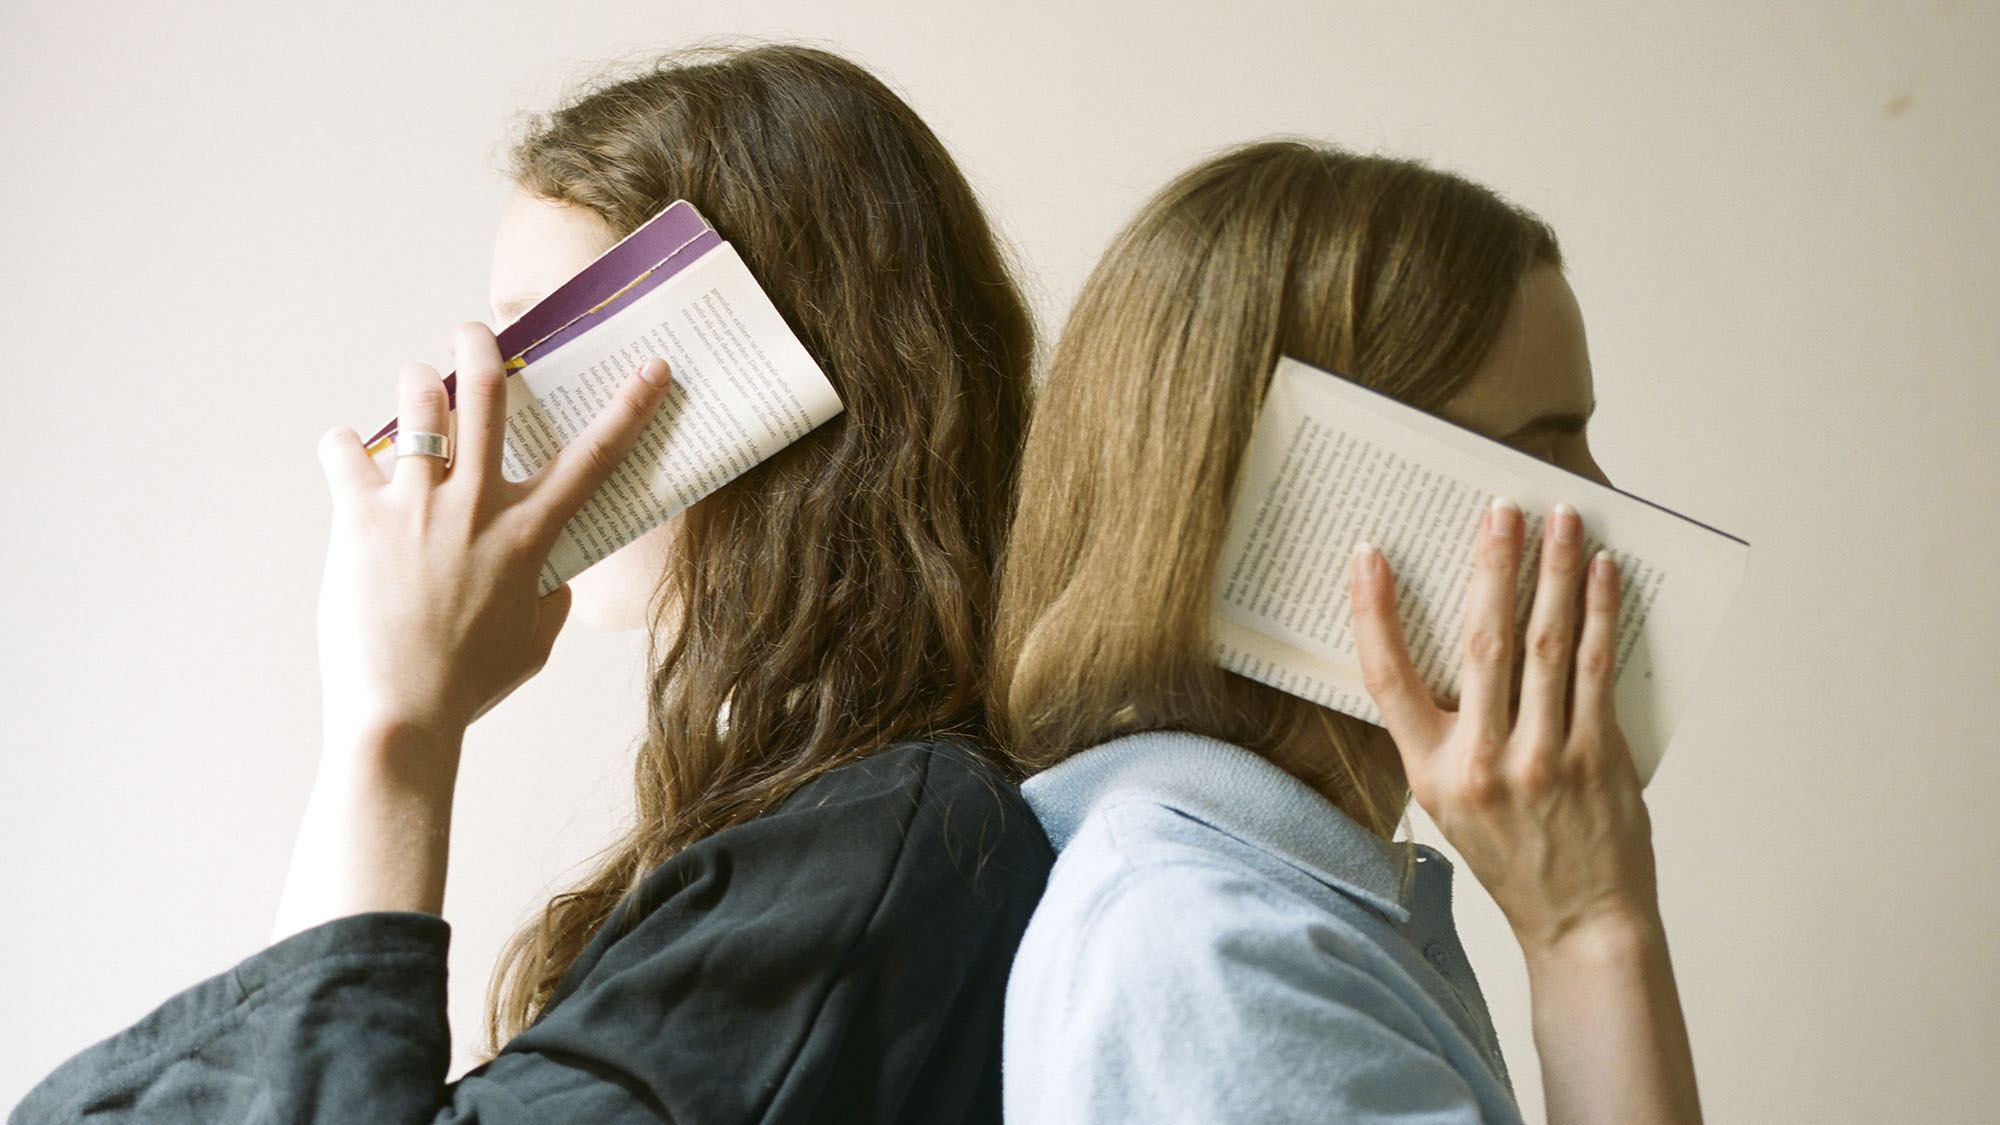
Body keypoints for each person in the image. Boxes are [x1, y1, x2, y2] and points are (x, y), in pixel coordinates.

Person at [14, 44, 1050, 1124]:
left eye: (555, 339)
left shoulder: (882, 849)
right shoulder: (835, 824)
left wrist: (395, 731)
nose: (490, 418)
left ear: (764, 372)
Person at [997, 140, 1702, 1123]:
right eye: (1541, 449)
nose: (1602, 507)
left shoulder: (1266, 910)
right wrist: (1587, 931)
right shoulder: (1209, 962)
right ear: (1305, 494)